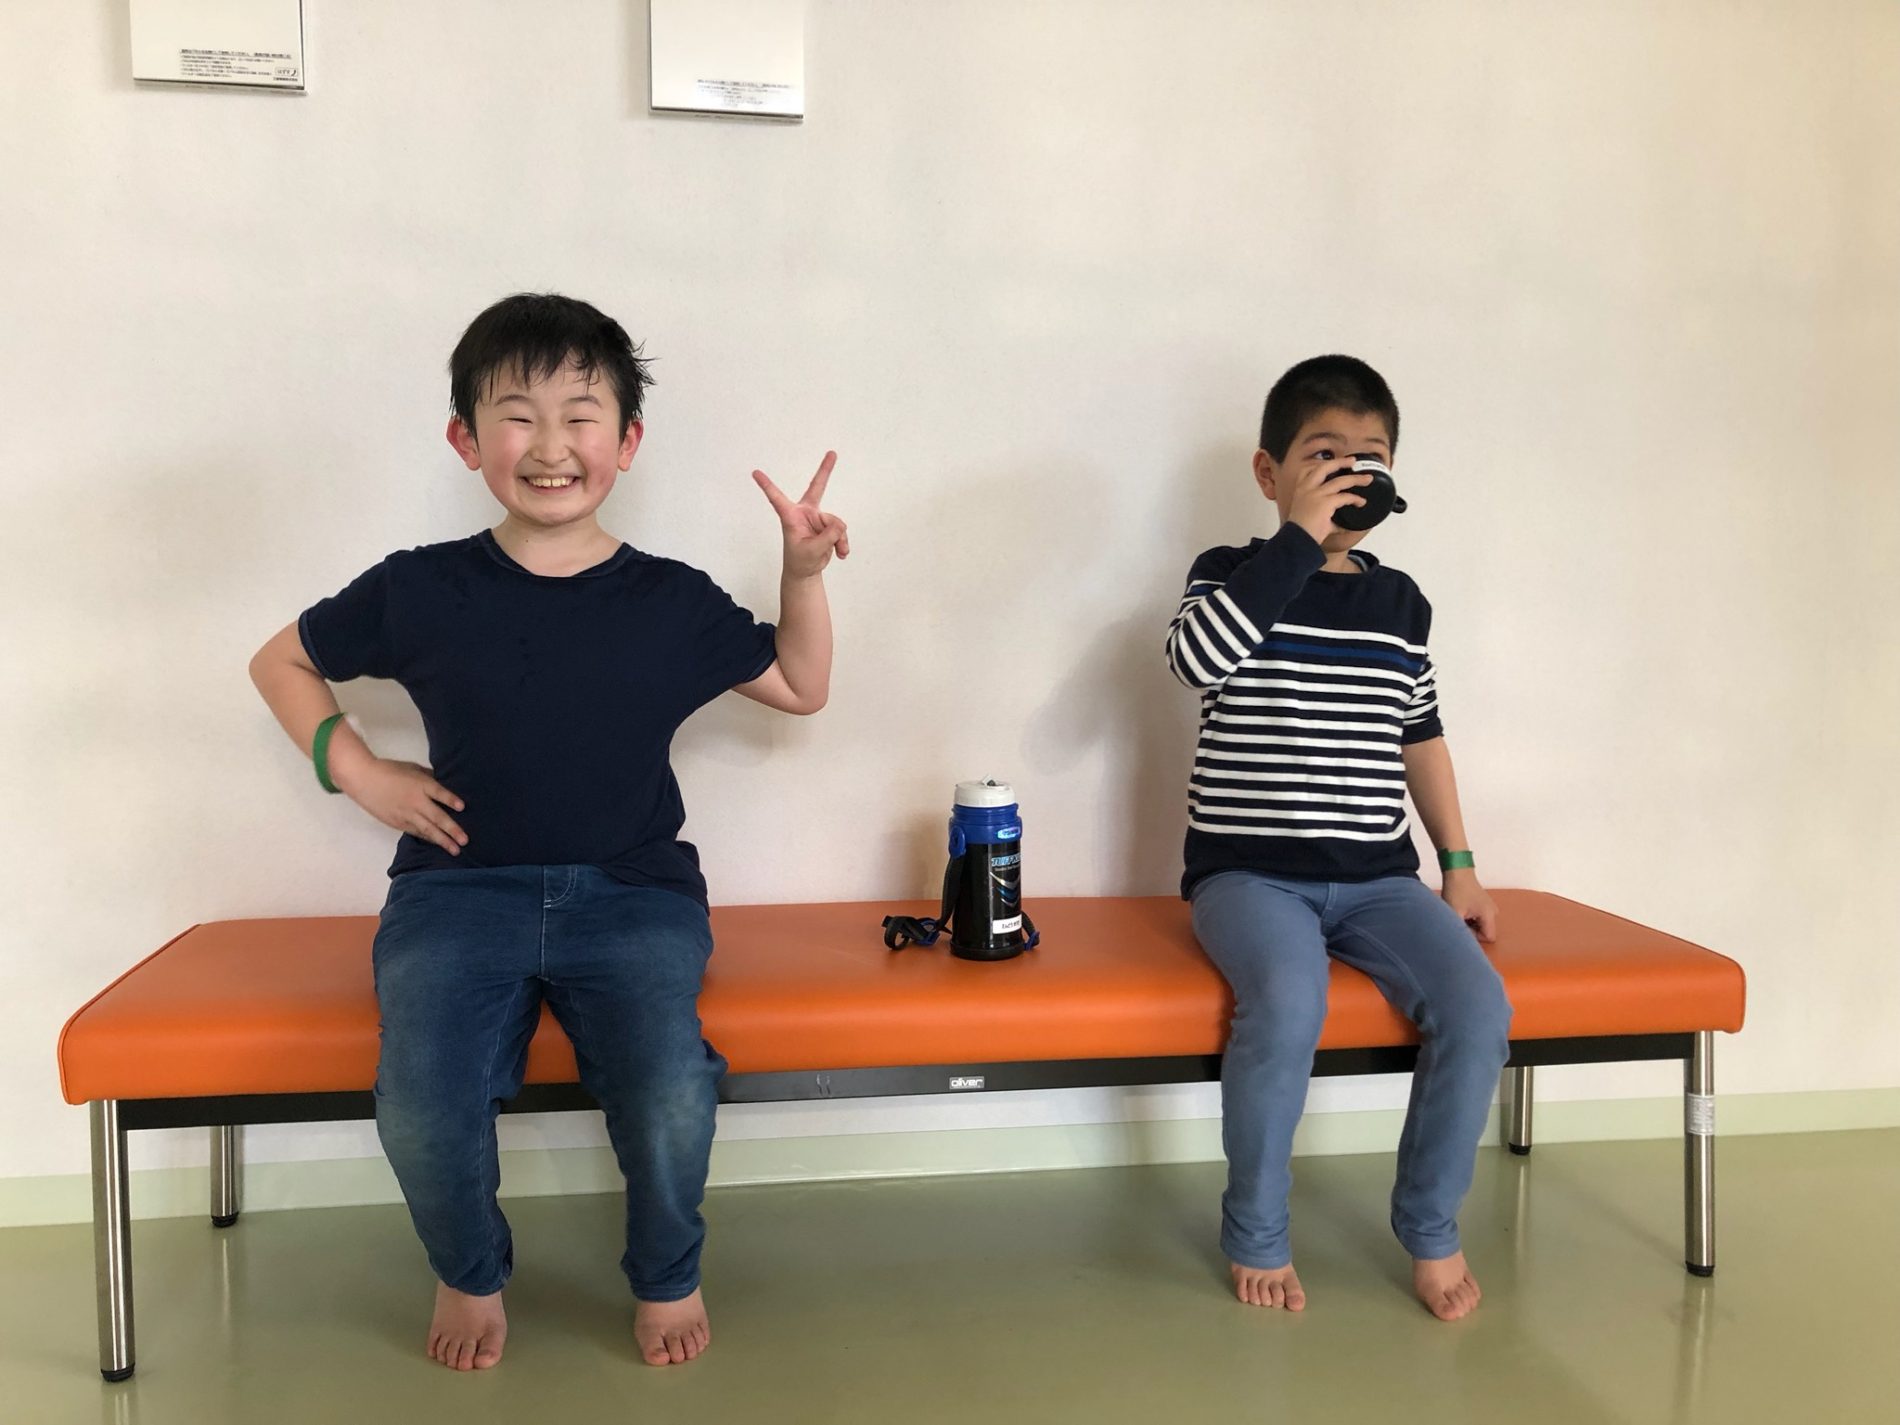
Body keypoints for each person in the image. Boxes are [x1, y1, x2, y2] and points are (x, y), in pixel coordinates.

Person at [248, 292, 849, 1369]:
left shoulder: (671, 600)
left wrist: (800, 577)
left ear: (627, 441)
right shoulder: (419, 586)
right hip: (456, 891)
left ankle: (668, 1274)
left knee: (670, 1090)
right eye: (516, 416)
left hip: (633, 893)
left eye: (580, 415)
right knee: (421, 1103)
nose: (550, 445)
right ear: (465, 438)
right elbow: (279, 661)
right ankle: (468, 1271)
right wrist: (360, 771)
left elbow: (801, 686)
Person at [1164, 354, 1511, 1321]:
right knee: (1288, 999)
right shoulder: (1229, 576)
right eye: (1325, 454)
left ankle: (1431, 1224)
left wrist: (1460, 866)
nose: (1352, 473)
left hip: (1378, 880)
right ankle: (1257, 1229)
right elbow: (1193, 661)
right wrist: (1296, 544)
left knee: (1478, 1005)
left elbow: (1421, 735)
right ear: (1269, 471)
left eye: (1372, 455)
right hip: (1249, 876)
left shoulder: (1400, 603)